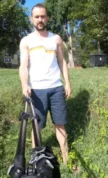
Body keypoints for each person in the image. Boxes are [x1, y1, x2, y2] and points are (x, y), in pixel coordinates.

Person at [18, 3, 74, 171]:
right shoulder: (26, 41)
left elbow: (62, 62)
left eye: (43, 16)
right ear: (32, 19)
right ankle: (36, 162)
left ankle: (66, 160)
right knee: (36, 127)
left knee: (60, 124)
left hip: (56, 88)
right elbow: (23, 66)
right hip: (36, 90)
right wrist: (24, 84)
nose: (40, 19)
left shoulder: (55, 39)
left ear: (47, 18)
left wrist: (68, 83)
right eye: (37, 17)